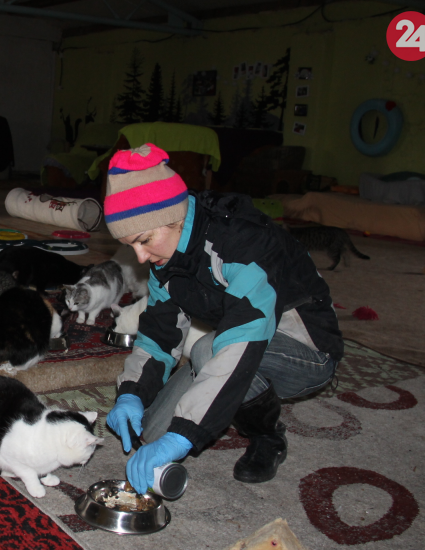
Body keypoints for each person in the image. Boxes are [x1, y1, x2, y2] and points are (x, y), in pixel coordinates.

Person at [104, 143, 343, 495]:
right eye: (131, 245)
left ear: (175, 217)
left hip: (307, 349)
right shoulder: (165, 258)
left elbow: (242, 340)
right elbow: (159, 334)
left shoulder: (244, 244)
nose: (140, 257)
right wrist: (132, 392)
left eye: (145, 240)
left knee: (205, 355)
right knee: (151, 434)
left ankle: (267, 435)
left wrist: (184, 435)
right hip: (236, 336)